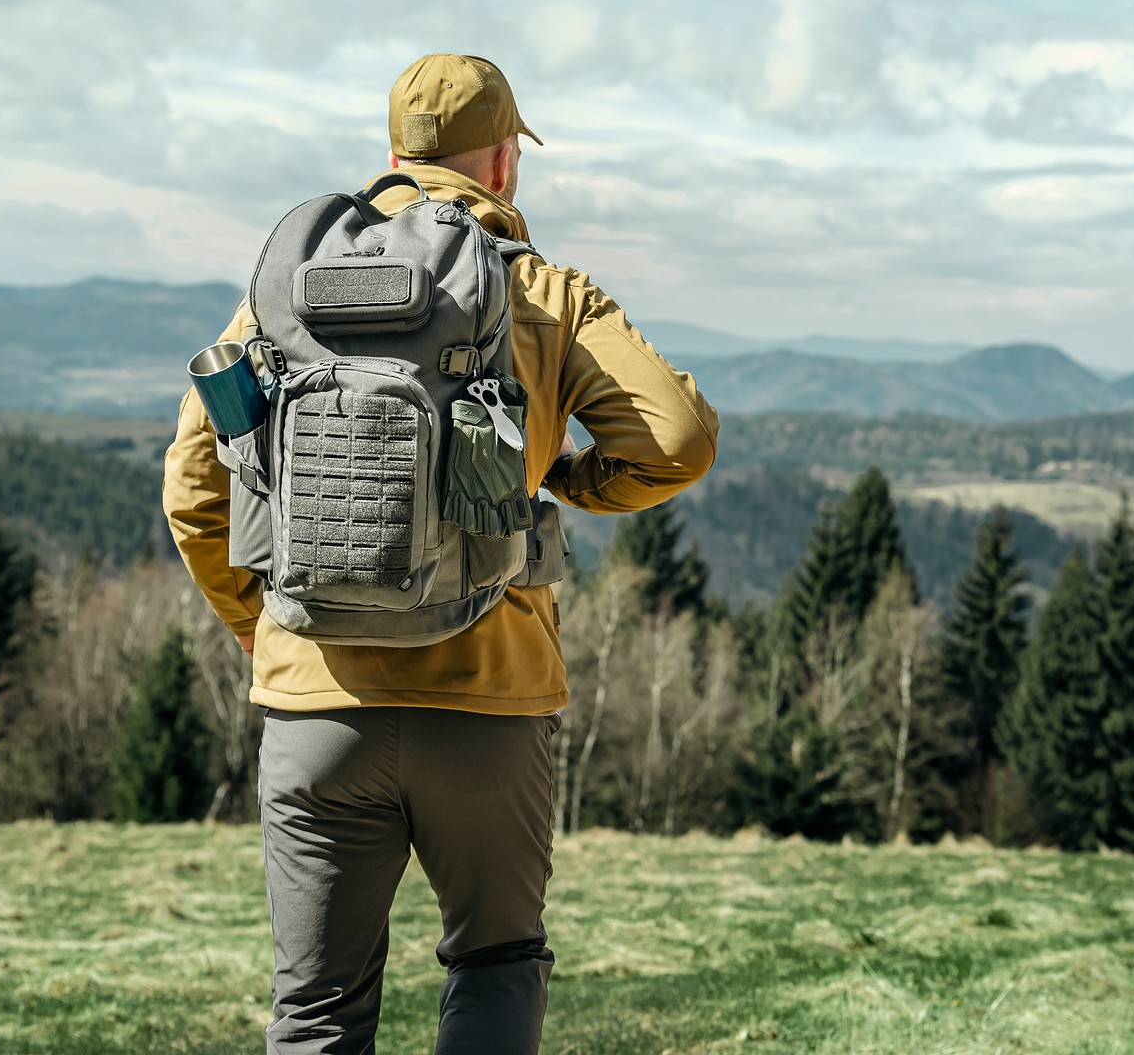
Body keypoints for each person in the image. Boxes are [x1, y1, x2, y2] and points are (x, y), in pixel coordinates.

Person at [163, 53, 719, 1053]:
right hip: (487, 697)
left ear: (394, 157)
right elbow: (676, 441)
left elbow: (195, 487)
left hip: (316, 699)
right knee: (495, 962)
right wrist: (569, 479)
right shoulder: (540, 290)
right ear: (503, 161)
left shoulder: (286, 294)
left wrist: (258, 625)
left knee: (316, 1007)